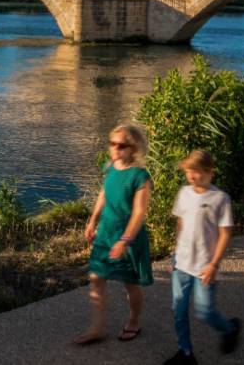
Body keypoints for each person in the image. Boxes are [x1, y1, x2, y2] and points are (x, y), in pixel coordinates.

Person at [74, 124, 153, 345]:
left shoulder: (140, 176)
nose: (116, 149)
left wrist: (125, 241)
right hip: (106, 233)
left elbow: (139, 213)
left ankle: (134, 322)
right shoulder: (110, 167)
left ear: (134, 149)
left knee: (130, 283)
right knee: (96, 278)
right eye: (112, 143)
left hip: (128, 237)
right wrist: (92, 221)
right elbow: (103, 193)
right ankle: (97, 328)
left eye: (122, 145)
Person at [164, 150, 241, 365]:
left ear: (210, 173)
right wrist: (174, 254)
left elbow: (225, 233)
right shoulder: (184, 193)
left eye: (197, 171)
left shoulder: (220, 199)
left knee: (205, 311)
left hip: (205, 267)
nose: (192, 176)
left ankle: (230, 328)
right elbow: (181, 224)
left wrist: (214, 264)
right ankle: (185, 353)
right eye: (189, 171)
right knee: (178, 311)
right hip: (181, 263)